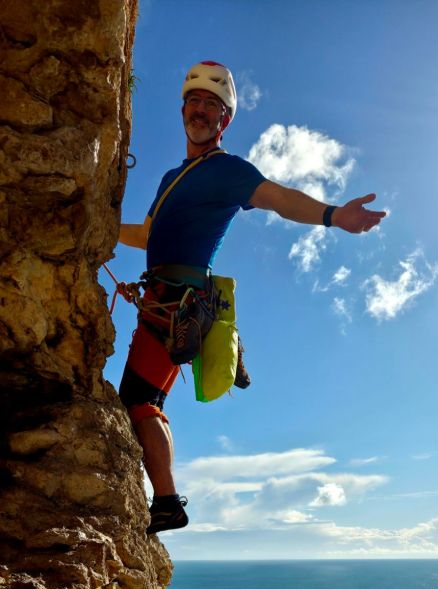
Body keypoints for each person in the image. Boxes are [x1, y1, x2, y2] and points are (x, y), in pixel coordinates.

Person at [118, 60, 386, 534]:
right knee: (145, 398)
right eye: (194, 102)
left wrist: (332, 216)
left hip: (177, 301)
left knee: (139, 401)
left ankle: (167, 501)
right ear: (182, 110)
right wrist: (100, 227)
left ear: (224, 120)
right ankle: (164, 499)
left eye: (212, 105)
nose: (201, 111)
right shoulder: (171, 179)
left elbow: (278, 199)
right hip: (164, 299)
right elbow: (147, 235)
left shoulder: (228, 171)